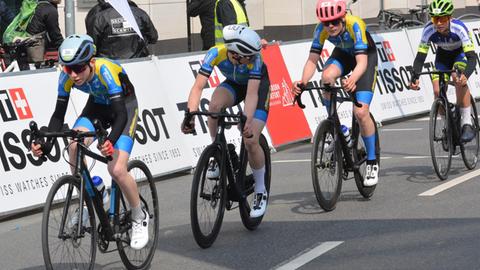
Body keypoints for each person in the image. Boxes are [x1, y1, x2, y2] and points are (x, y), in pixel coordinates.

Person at [30, 34, 149, 250]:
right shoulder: (66, 77)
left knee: (117, 168)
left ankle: (139, 215)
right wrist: (45, 145)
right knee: (74, 145)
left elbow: (120, 114)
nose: (73, 75)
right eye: (68, 69)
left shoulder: (105, 70)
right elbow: (58, 116)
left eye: (78, 68)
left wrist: (110, 141)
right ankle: (94, 191)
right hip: (97, 108)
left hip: (124, 108)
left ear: (91, 62)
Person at [181, 25, 270, 218]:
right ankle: (217, 150)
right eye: (250, 56)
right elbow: (198, 87)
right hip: (234, 84)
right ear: (237, 55)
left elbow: (252, 94)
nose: (253, 58)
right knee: (214, 107)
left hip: (257, 87)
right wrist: (190, 115)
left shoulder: (256, 60)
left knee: (251, 140)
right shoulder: (215, 53)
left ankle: (261, 190)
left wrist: (246, 121)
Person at [292, 0, 379, 186]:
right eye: (326, 23)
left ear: (343, 17)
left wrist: (353, 79)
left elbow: (362, 62)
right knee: (327, 77)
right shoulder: (320, 30)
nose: (330, 26)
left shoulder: (355, 24)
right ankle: (338, 129)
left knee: (361, 112)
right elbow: (312, 60)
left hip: (365, 57)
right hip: (344, 55)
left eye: (335, 22)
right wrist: (303, 81)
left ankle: (372, 161)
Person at [409, 0, 477, 142]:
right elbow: (420, 57)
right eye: (435, 19)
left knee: (457, 77)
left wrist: (466, 75)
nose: (438, 23)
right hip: (443, 56)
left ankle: (466, 123)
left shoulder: (459, 28)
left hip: (460, 54)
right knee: (436, 91)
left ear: (450, 17)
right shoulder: (428, 30)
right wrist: (414, 77)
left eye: (443, 19)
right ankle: (449, 124)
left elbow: (472, 57)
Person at [86, 0, 158, 59]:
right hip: (138, 63)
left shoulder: (99, 17)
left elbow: (92, 45)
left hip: (109, 66)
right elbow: (153, 38)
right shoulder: (140, 13)